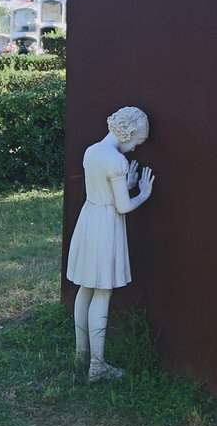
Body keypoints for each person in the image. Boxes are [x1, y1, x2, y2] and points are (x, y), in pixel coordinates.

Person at [67, 106, 156, 382]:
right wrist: (142, 193)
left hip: (89, 219)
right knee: (102, 293)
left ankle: (81, 355)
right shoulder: (116, 161)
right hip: (106, 226)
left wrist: (125, 183)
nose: (133, 149)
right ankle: (98, 366)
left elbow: (102, 189)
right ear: (128, 133)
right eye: (136, 142)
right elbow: (123, 206)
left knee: (85, 289)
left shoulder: (91, 151)